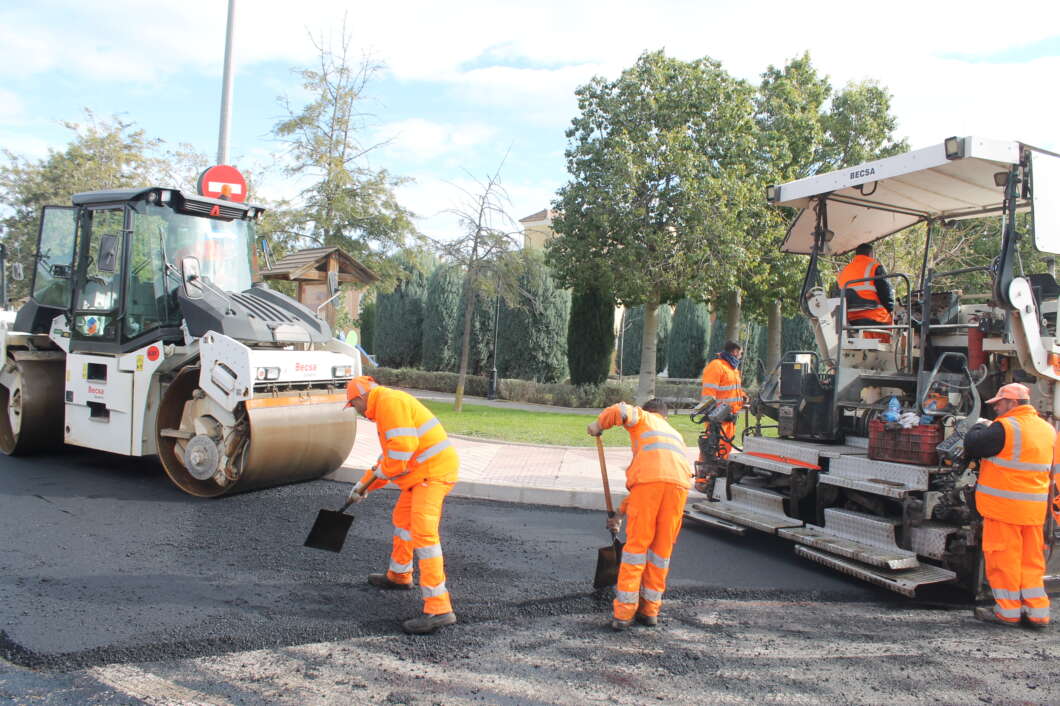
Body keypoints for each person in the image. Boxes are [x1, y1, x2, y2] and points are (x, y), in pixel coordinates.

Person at [344, 376, 459, 635]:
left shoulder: (388, 402)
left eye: (353, 405)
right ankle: (399, 575)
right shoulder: (386, 404)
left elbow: (401, 454)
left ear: (360, 398)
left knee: (424, 535)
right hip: (420, 475)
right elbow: (389, 457)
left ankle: (439, 608)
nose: (357, 412)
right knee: (403, 521)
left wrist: (375, 480)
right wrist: (362, 487)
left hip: (433, 474)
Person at [586, 399, 693, 630]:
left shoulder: (644, 417)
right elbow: (656, 481)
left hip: (650, 487)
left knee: (636, 550)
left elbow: (620, 410)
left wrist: (598, 425)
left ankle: (624, 614)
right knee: (660, 553)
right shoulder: (674, 433)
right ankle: (649, 610)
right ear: (666, 416)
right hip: (678, 490)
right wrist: (619, 515)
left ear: (649, 411)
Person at [963, 383, 1054, 628]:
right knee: (1031, 562)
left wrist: (979, 425)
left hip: (1003, 510)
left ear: (1013, 403)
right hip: (1034, 512)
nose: (997, 408)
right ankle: (1037, 613)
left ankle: (1008, 612)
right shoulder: (1048, 429)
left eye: (999, 404)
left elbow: (973, 444)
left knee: (1004, 561)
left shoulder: (1005, 428)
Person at [836, 243, 894, 342]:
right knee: (892, 321)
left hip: (848, 320)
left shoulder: (844, 271)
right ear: (871, 254)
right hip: (873, 318)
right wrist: (891, 309)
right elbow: (886, 294)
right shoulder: (874, 267)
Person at [699, 341, 745, 459]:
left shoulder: (732, 368)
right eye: (741, 352)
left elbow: (732, 389)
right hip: (718, 419)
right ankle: (704, 477)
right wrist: (714, 416)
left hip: (729, 418)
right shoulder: (717, 365)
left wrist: (743, 396)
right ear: (735, 352)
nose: (741, 355)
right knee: (711, 450)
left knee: (724, 451)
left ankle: (720, 473)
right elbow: (708, 394)